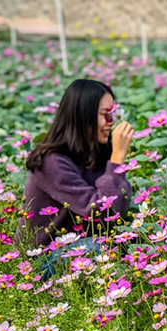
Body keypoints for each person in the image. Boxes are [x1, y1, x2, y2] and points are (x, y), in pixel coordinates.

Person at [18, 79, 134, 254]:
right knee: (103, 249)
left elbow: (118, 207)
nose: (111, 122)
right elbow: (100, 210)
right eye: (105, 114)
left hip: (85, 243)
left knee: (138, 238)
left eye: (113, 114)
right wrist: (117, 159)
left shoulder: (94, 152)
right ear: (83, 116)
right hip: (45, 256)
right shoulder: (52, 161)